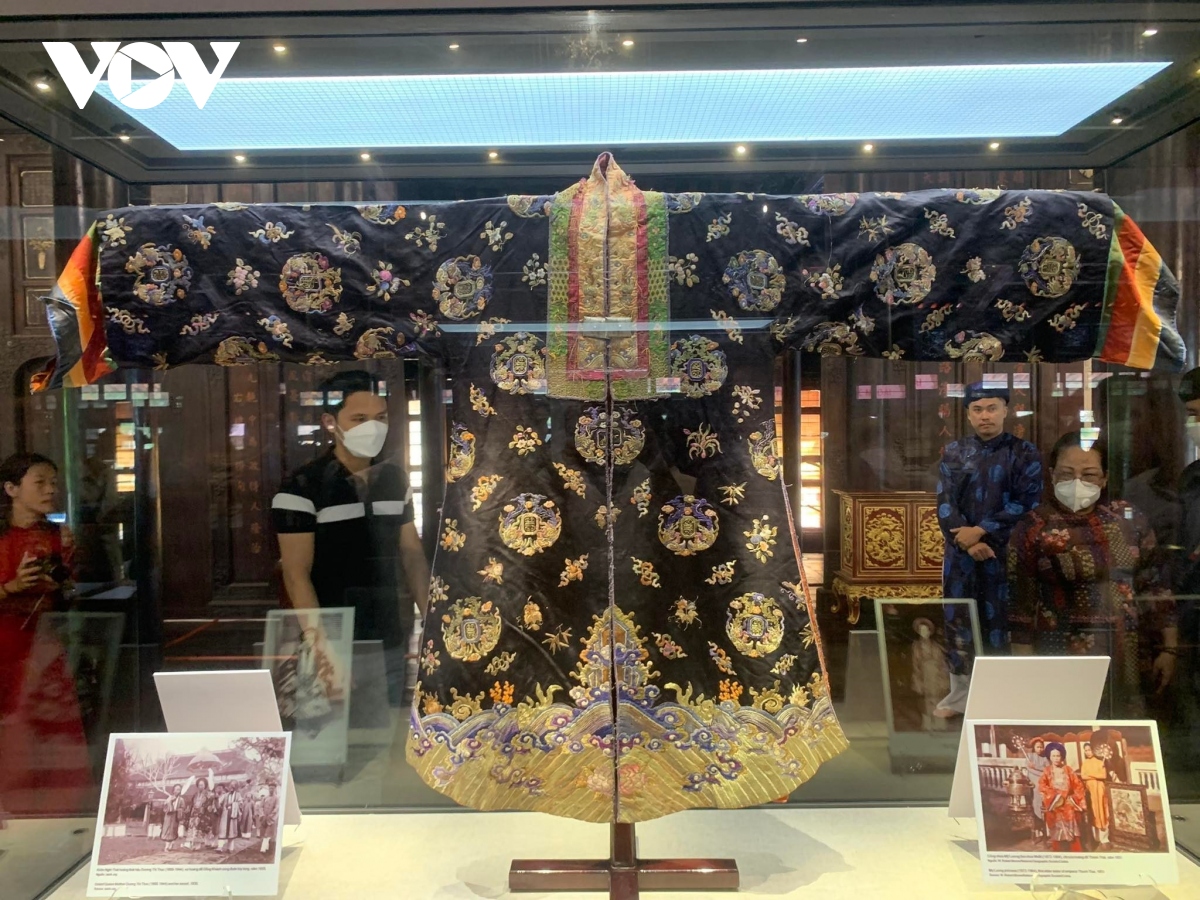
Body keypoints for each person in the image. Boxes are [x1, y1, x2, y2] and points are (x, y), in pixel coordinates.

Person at [273, 371, 429, 707]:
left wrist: (431, 624)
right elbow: (296, 574)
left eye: (380, 418)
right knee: (332, 730)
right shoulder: (302, 486)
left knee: (386, 726)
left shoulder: (394, 479)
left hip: (389, 633)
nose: (372, 427)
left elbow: (412, 554)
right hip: (333, 635)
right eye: (359, 419)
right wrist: (322, 651)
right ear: (330, 422)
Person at [1009, 431, 1177, 716]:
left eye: (1088, 474)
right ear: (1052, 475)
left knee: (1123, 731)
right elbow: (1019, 606)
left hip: (1128, 651)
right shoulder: (1033, 527)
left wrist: (1170, 648)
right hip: (1059, 653)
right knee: (1067, 732)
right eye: (1067, 473)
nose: (1077, 482)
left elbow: (1155, 585)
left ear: (1104, 478)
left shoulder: (1128, 519)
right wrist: (1025, 668)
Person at [935, 383, 1043, 716]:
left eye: (992, 408)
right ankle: (960, 696)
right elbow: (945, 504)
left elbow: (1027, 502)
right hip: (961, 555)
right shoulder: (954, 453)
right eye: (978, 409)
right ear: (968, 414)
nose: (985, 416)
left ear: (1006, 410)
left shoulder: (1024, 453)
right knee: (958, 620)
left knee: (1000, 621)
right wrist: (967, 542)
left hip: (1005, 552)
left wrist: (982, 532)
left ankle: (999, 697)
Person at [0, 452, 91, 817]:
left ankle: (58, 812)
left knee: (52, 728)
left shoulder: (58, 535)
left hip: (44, 644)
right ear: (11, 489)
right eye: (39, 483)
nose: (50, 490)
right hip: (5, 643)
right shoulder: (3, 537)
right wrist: (11, 587)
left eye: (53, 483)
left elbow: (69, 593)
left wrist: (63, 582)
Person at [1039, 742, 1088, 852]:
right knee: (1056, 823)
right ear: (1049, 757)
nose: (1056, 758)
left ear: (1062, 756)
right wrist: (1054, 796)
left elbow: (1078, 785)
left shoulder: (1068, 770)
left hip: (1068, 803)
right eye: (1053, 756)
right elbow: (1042, 786)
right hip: (1054, 803)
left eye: (1058, 755)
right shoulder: (1047, 771)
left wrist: (1074, 798)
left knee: (1071, 819)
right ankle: (1059, 851)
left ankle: (1075, 850)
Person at [909, 617, 950, 731]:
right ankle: (927, 724)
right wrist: (917, 681)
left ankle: (939, 723)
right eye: (921, 630)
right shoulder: (916, 646)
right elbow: (915, 665)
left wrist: (944, 679)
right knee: (925, 702)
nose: (924, 632)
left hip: (936, 677)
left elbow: (942, 664)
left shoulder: (936, 646)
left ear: (929, 631)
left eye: (925, 630)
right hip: (924, 676)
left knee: (938, 699)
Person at [1080, 742, 1112, 849]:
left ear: (1094, 750)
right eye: (1086, 750)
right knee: (1093, 811)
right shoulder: (1085, 763)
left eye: (1089, 750)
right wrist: (1095, 776)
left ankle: (1104, 838)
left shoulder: (1100, 762)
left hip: (1100, 790)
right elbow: (1083, 776)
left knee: (1102, 811)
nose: (1088, 752)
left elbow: (1103, 775)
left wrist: (1090, 775)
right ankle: (1095, 838)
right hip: (1090, 791)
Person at [1025, 737, 1050, 844]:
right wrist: (1040, 771)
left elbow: (1048, 770)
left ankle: (1045, 832)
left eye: (1041, 747)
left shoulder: (1045, 758)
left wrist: (1035, 767)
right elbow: (1029, 769)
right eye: (1037, 747)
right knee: (1034, 807)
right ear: (1034, 748)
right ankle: (1037, 832)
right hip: (1033, 785)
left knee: (1043, 807)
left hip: (1043, 785)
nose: (1040, 749)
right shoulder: (1029, 756)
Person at [255, 782, 279, 854]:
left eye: (272, 788)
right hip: (264, 818)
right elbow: (261, 807)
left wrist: (271, 815)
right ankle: (267, 847)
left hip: (271, 818)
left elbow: (276, 808)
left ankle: (263, 849)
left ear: (275, 789)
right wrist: (262, 815)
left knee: (267, 833)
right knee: (263, 833)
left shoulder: (276, 798)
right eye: (270, 788)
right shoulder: (265, 798)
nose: (271, 790)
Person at [161, 783, 183, 851]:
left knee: (173, 830)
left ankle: (171, 845)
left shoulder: (181, 799)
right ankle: (166, 846)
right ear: (173, 790)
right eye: (176, 789)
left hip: (175, 816)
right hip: (168, 816)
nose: (177, 791)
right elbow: (165, 806)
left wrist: (179, 810)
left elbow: (182, 808)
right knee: (167, 830)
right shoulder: (169, 798)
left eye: (179, 790)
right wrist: (170, 803)